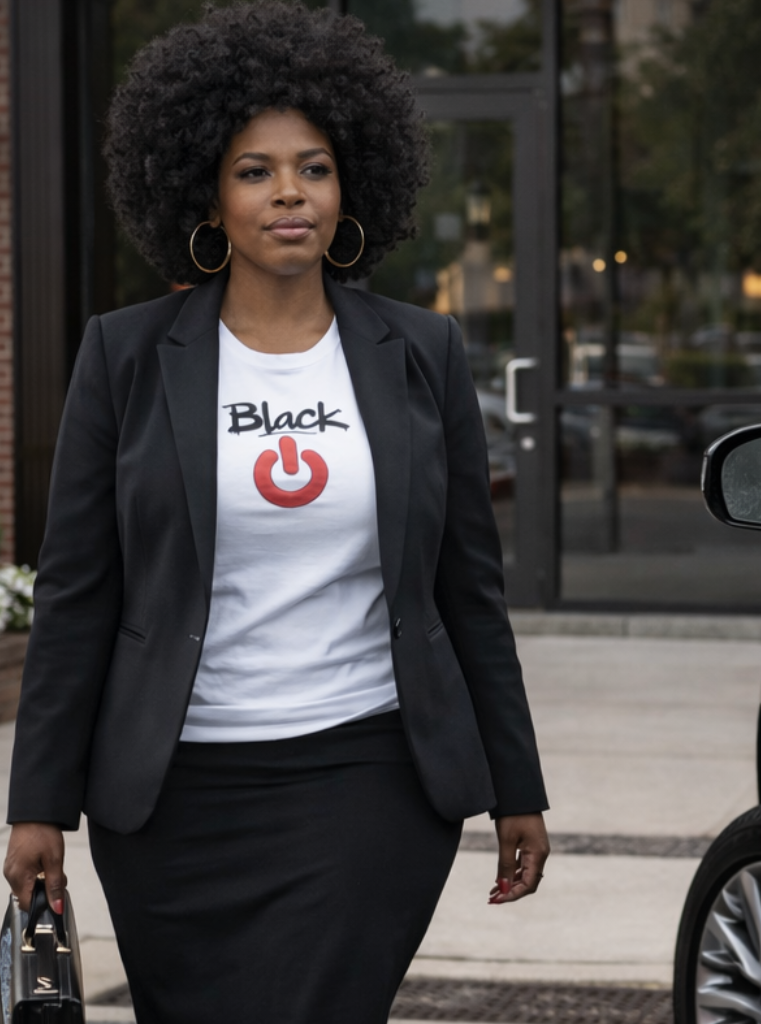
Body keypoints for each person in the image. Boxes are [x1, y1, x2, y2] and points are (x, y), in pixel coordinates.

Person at [2, 4, 550, 1021]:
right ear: (207, 194)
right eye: (255, 171)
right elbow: (78, 590)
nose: (289, 192)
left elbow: (467, 588)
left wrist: (518, 782)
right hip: (171, 799)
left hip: (368, 773)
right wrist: (36, 802)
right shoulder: (125, 356)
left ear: (351, 190)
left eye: (315, 168)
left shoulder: (420, 353)